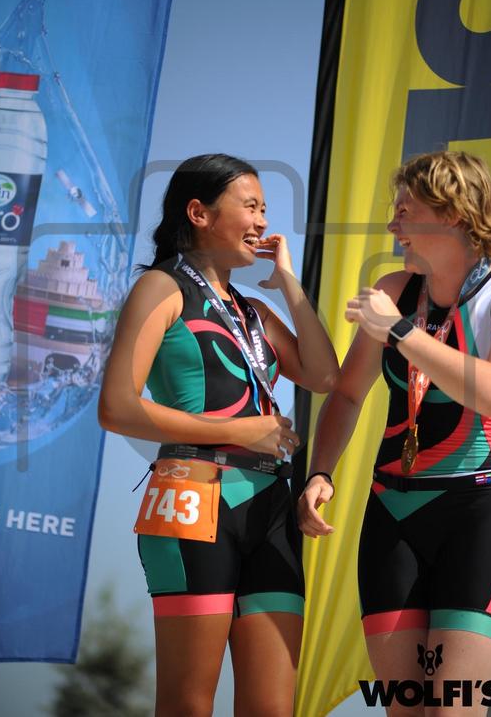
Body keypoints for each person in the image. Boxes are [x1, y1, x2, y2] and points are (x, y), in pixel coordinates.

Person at [98, 153, 338, 717]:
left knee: (272, 709)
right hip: (191, 494)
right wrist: (240, 430)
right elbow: (117, 407)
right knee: (187, 704)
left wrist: (288, 282)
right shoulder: (160, 287)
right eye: (251, 206)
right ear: (199, 213)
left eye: (265, 209)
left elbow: (324, 375)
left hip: (271, 506)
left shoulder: (254, 311)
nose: (263, 221)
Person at [298, 151, 491, 716]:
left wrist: (398, 332)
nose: (392, 225)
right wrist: (321, 472)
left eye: (404, 211)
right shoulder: (395, 289)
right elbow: (347, 394)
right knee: (405, 709)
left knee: (453, 708)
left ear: (452, 214)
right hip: (392, 512)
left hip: (480, 511)